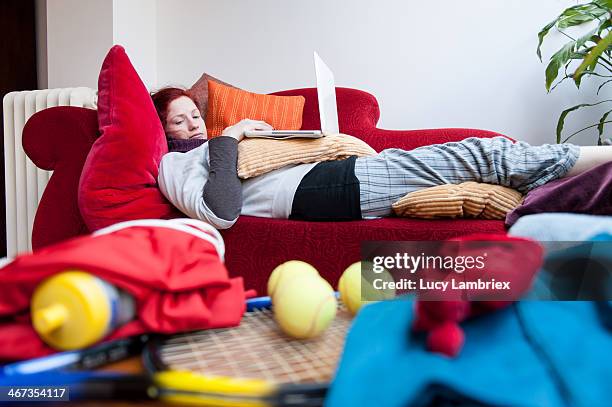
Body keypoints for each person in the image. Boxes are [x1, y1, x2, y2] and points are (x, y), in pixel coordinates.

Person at [152, 87, 612, 229]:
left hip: (332, 175)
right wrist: (229, 137)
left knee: (497, 181)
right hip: (323, 189)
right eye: (179, 120)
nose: (193, 125)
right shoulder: (174, 165)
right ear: (162, 131)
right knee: (485, 154)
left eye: (196, 115)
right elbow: (221, 210)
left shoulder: (216, 150)